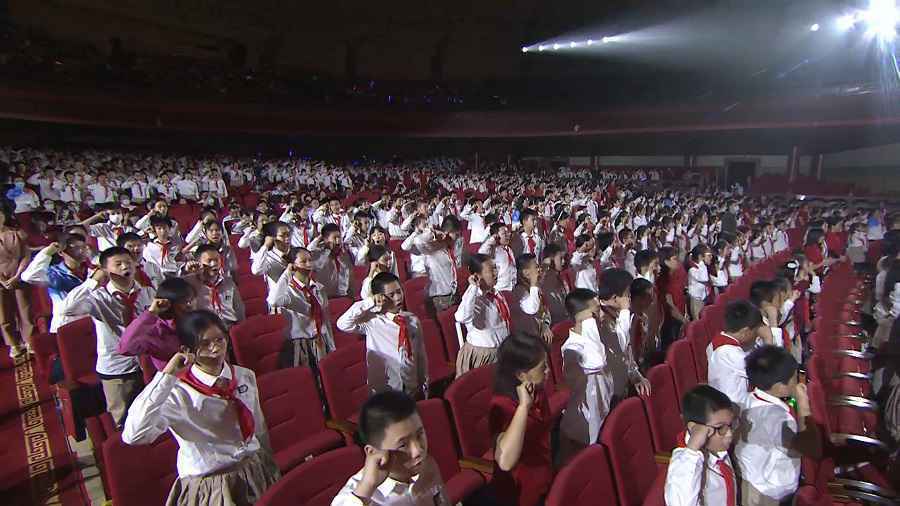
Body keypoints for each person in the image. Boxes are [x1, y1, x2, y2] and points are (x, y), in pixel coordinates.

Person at [122, 310, 280, 505]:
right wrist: (167, 375)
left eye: (220, 340)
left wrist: (268, 459)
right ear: (187, 349)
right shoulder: (178, 393)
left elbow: (258, 424)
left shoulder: (243, 376)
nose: (215, 349)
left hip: (254, 467)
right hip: (212, 482)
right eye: (205, 344)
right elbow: (134, 435)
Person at [59, 246, 156, 427]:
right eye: (118, 264)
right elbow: (67, 309)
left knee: (149, 415)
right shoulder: (99, 298)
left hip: (146, 363)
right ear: (105, 270)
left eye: (128, 262)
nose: (124, 267)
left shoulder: (146, 292)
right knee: (124, 420)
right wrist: (92, 281)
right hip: (117, 367)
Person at [331, 390, 450, 505]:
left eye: (420, 435)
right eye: (403, 445)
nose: (418, 450)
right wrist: (367, 488)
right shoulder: (354, 496)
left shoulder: (428, 465)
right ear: (373, 452)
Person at [736, 345, 820, 505]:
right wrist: (803, 405)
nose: (799, 381)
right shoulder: (776, 419)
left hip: (752, 481)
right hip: (770, 494)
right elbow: (812, 448)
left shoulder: (747, 398)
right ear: (780, 387)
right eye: (795, 377)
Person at [337, 272, 428, 398]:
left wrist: (424, 382)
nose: (398, 298)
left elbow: (420, 354)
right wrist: (370, 302)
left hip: (411, 387)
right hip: (386, 391)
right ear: (380, 297)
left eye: (399, 291)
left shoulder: (412, 320)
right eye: (391, 295)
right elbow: (342, 323)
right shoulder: (372, 321)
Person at [490, 333, 554, 506]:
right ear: (521, 375)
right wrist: (523, 407)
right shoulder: (502, 406)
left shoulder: (537, 390)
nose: (548, 371)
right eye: (543, 367)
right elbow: (505, 462)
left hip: (545, 481)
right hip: (520, 495)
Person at [559, 288, 614, 463]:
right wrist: (590, 324)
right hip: (581, 427)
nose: (602, 315)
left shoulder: (595, 339)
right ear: (583, 318)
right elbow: (597, 362)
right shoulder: (572, 348)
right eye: (597, 311)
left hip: (600, 414)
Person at [665, 384, 740, 506]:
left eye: (731, 425)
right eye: (720, 428)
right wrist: (693, 449)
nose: (729, 434)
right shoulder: (684, 465)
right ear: (694, 428)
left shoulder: (717, 445)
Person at [266, 247, 335, 372]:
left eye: (310, 260)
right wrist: (287, 273)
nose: (309, 265)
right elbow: (273, 301)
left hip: (320, 339)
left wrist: (331, 344)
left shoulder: (318, 288)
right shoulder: (289, 290)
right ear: (293, 265)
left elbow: (325, 318)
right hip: (300, 344)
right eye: (303, 261)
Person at [118, 277, 197, 371]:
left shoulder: (199, 322)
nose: (190, 306)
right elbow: (125, 348)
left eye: (192, 300)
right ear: (169, 304)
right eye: (185, 302)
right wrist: (151, 313)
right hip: (172, 381)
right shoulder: (155, 330)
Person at [21, 233, 94, 332]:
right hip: (66, 323)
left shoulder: (92, 270)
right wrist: (47, 252)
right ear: (60, 252)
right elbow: (28, 276)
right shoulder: (54, 273)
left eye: (83, 246)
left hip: (93, 321)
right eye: (75, 247)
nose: (81, 251)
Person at [455, 254, 510, 376]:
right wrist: (473, 287)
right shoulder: (474, 297)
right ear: (477, 276)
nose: (496, 272)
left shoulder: (496, 294)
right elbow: (461, 317)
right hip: (484, 355)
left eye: (496, 268)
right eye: (492, 270)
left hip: (501, 350)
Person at [707, 300, 764, 409]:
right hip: (735, 408)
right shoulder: (729, 353)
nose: (757, 336)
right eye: (756, 332)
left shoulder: (718, 341)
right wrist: (769, 339)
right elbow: (766, 373)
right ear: (746, 331)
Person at [183, 245, 245, 326]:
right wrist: (186, 271)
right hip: (206, 328)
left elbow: (239, 307)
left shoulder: (228, 281)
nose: (214, 264)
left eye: (217, 260)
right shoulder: (190, 282)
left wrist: (242, 326)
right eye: (209, 261)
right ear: (198, 262)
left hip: (230, 325)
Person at [0, 207, 33, 357]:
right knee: (4, 313)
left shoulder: (16, 233)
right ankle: (13, 344)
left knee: (25, 309)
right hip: (1, 280)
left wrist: (17, 275)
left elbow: (26, 255)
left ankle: (29, 340)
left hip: (18, 275)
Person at [510, 253, 553, 343]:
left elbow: (545, 311)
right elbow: (532, 309)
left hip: (539, 336)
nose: (539, 269)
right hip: (526, 341)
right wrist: (534, 283)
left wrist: (545, 325)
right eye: (536, 267)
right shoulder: (519, 291)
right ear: (526, 273)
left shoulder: (536, 288)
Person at [479, 222, 517, 292]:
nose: (508, 235)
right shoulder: (493, 250)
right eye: (504, 234)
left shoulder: (509, 250)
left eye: (508, 232)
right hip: (500, 289)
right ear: (496, 236)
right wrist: (492, 239)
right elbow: (481, 253)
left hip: (512, 288)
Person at [687, 245, 713, 320]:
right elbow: (704, 278)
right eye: (709, 255)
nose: (711, 257)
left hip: (703, 299)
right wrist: (702, 262)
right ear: (700, 257)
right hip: (695, 300)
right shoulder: (692, 269)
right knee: (697, 322)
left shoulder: (702, 267)